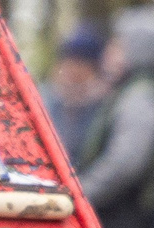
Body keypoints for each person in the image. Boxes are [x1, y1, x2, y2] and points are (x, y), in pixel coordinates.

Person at [78, 7, 154, 228]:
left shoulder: (140, 98)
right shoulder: (129, 92)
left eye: (118, 44)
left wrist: (81, 193)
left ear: (139, 52)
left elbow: (126, 163)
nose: (109, 51)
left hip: (125, 224)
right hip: (124, 220)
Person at [40, 21, 109, 161]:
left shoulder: (103, 104)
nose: (73, 69)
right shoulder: (43, 96)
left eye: (81, 63)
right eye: (69, 61)